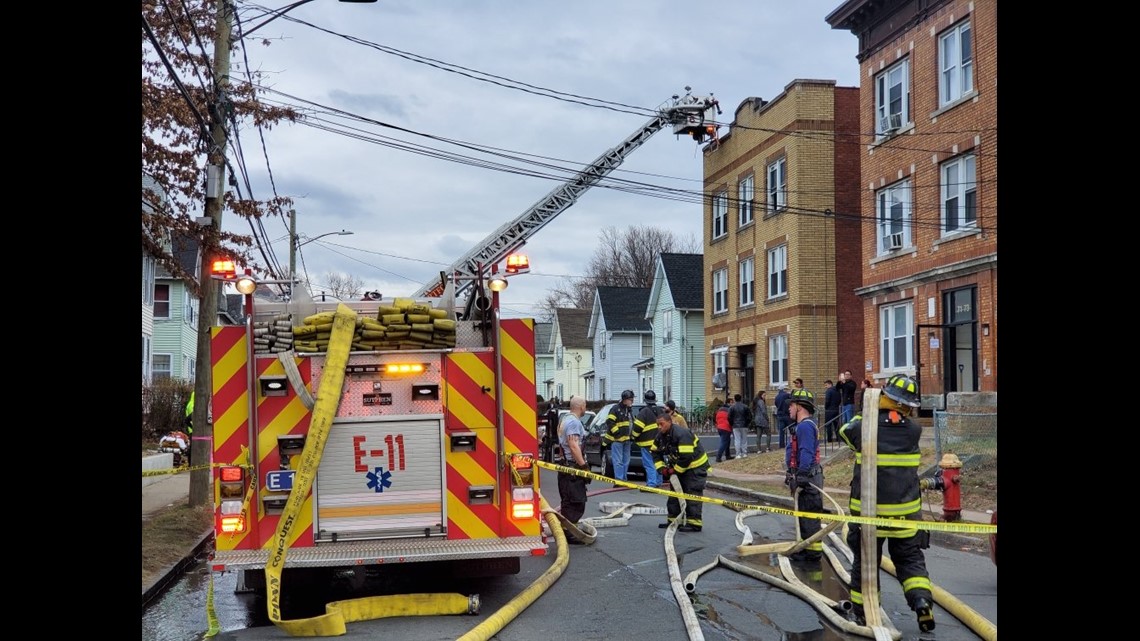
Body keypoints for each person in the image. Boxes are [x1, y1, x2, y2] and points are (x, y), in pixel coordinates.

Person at [837, 374, 935, 632]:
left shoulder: (864, 426)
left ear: (885, 396)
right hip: (906, 516)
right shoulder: (914, 430)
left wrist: (865, 412)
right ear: (909, 405)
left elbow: (844, 432)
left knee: (866, 565)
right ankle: (922, 602)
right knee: (910, 561)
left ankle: (864, 613)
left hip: (870, 515)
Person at [651, 409, 710, 532]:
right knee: (674, 494)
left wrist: (674, 471)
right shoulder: (661, 436)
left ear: (670, 422)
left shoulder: (682, 434)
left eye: (661, 424)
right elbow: (655, 452)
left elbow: (686, 457)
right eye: (657, 424)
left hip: (695, 467)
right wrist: (662, 469)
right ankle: (673, 521)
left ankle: (694, 524)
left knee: (692, 493)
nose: (659, 427)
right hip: (680, 467)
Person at [784, 388, 824, 563]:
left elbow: (806, 452)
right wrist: (791, 473)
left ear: (799, 407)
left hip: (809, 478)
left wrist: (801, 475)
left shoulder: (806, 427)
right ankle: (806, 548)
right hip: (804, 476)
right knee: (804, 515)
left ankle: (812, 553)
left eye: (791, 405)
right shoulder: (802, 426)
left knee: (810, 517)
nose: (789, 409)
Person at [555, 396, 591, 526]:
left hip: (566, 469)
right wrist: (583, 466)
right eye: (585, 406)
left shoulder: (564, 420)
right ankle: (570, 534)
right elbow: (573, 445)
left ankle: (568, 531)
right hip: (572, 471)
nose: (585, 408)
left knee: (568, 503)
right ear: (581, 407)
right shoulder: (574, 423)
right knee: (575, 504)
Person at [601, 390, 636, 481]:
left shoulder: (628, 410)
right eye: (631, 400)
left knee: (626, 461)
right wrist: (617, 433)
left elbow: (631, 423)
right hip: (617, 440)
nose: (632, 401)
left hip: (627, 440)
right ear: (625, 399)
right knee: (618, 461)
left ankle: (624, 479)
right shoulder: (615, 409)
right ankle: (619, 479)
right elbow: (609, 421)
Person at [633, 390, 665, 488]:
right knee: (659, 462)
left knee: (649, 463)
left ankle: (651, 483)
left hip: (647, 443)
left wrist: (634, 436)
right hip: (660, 443)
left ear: (645, 400)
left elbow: (637, 428)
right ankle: (659, 481)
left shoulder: (644, 412)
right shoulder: (661, 411)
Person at [727, 393, 751, 459]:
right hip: (744, 425)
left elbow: (729, 417)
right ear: (741, 399)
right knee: (744, 439)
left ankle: (738, 454)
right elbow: (749, 416)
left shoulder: (732, 407)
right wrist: (747, 423)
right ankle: (744, 453)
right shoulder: (745, 406)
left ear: (734, 399)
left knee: (737, 440)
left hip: (735, 425)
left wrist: (732, 423)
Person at [774, 384, 792, 449]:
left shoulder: (777, 397)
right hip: (787, 415)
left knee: (781, 432)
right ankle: (792, 443)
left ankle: (781, 445)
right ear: (784, 389)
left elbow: (776, 404)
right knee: (791, 429)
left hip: (780, 415)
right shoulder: (786, 395)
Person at [823, 379, 841, 444]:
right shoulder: (837, 390)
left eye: (826, 385)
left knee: (828, 425)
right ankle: (838, 438)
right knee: (836, 425)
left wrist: (826, 407)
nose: (825, 387)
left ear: (830, 384)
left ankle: (829, 439)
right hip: (836, 409)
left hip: (829, 410)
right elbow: (839, 400)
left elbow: (827, 400)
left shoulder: (829, 391)